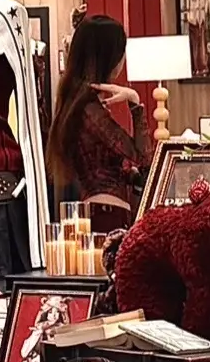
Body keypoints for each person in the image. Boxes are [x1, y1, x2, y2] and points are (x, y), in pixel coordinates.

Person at [46, 14, 153, 217]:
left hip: (99, 208)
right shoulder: (90, 110)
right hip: (108, 212)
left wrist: (128, 174)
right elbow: (143, 158)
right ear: (110, 58)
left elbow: (100, 163)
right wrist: (134, 101)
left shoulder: (78, 104)